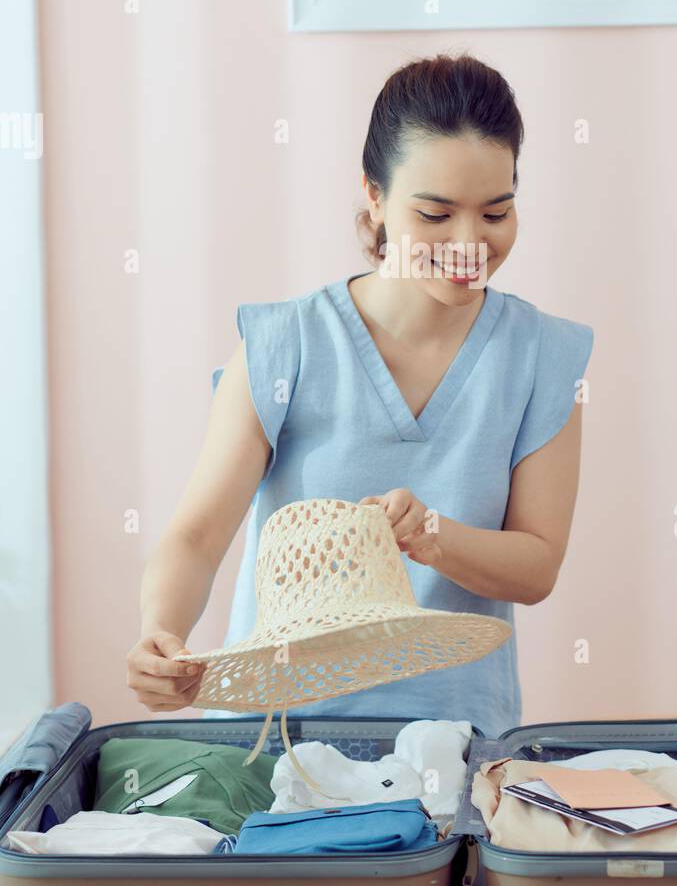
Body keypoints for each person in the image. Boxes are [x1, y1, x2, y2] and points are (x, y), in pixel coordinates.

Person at [126, 53, 594, 737]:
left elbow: (537, 565)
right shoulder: (286, 345)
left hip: (450, 746)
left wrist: (432, 535)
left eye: (497, 212)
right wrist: (161, 633)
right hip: (272, 739)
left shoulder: (541, 356)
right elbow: (198, 536)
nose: (469, 243)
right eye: (435, 213)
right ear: (374, 195)